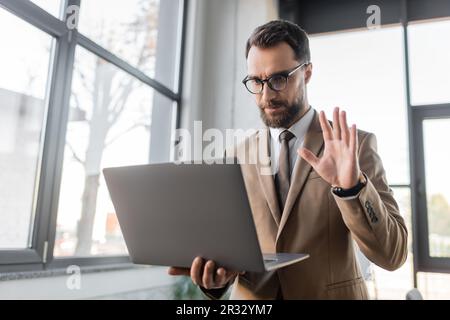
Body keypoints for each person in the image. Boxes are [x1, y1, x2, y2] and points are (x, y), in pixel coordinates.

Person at [168, 20, 408, 299]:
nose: (266, 95)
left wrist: (352, 188)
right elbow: (229, 251)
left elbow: (394, 254)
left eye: (279, 79)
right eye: (256, 81)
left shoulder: (354, 147)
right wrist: (217, 280)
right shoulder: (234, 157)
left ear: (306, 73)